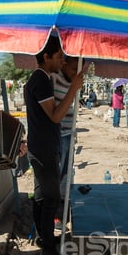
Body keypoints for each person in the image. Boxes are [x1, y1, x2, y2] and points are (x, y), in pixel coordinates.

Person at [24, 37, 85, 255]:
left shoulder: (43, 79)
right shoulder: (41, 80)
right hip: (44, 148)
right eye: (59, 56)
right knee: (50, 199)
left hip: (42, 146)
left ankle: (44, 239)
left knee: (41, 197)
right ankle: (49, 251)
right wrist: (74, 88)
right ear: (46, 56)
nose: (62, 60)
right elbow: (56, 116)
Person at [51, 54, 79, 193]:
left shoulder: (74, 81)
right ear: (65, 64)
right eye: (74, 69)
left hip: (69, 133)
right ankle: (54, 202)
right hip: (57, 134)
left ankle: (62, 199)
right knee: (56, 172)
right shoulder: (55, 78)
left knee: (67, 171)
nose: (76, 73)